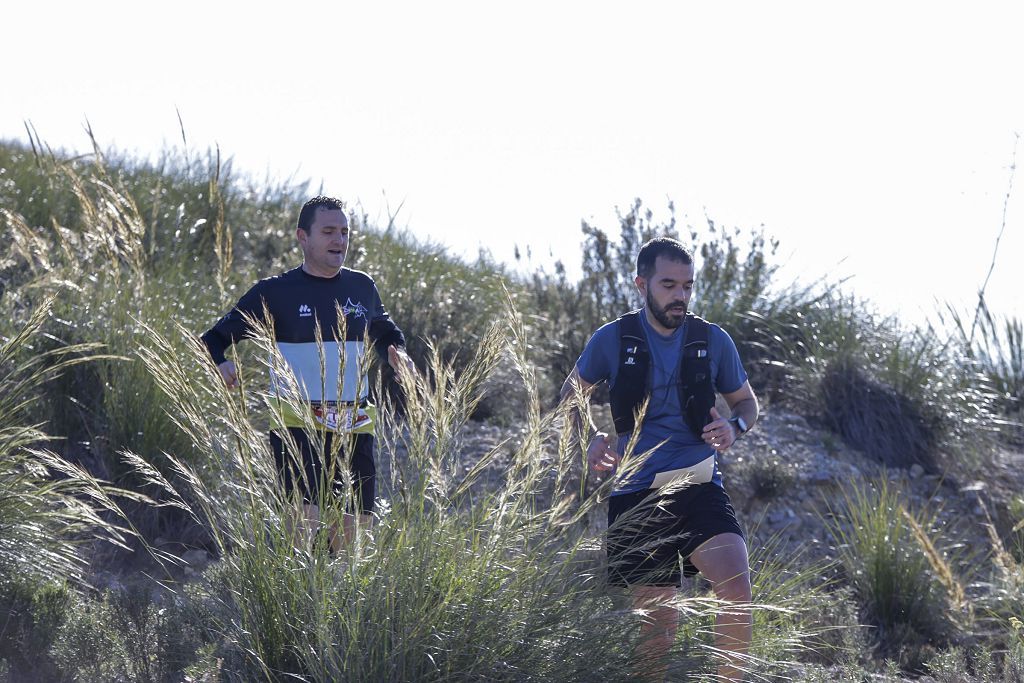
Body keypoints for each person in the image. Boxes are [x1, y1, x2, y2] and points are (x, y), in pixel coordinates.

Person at [560, 236, 758, 682]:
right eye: (669, 285)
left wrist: (734, 427)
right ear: (641, 283)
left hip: (700, 484)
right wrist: (589, 439)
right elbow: (569, 396)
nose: (681, 296)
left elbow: (747, 403)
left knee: (736, 591)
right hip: (637, 495)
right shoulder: (612, 339)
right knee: (658, 629)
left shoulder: (713, 339)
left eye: (688, 286)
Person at [201, 195, 414, 549]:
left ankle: (341, 600)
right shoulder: (274, 292)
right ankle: (299, 597)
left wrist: (398, 354)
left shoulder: (362, 286)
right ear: (303, 237)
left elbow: (386, 331)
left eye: (345, 232)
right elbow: (212, 339)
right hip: (297, 423)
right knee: (304, 525)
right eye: (328, 231)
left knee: (355, 530)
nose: (340, 240)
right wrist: (220, 362)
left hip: (355, 422)